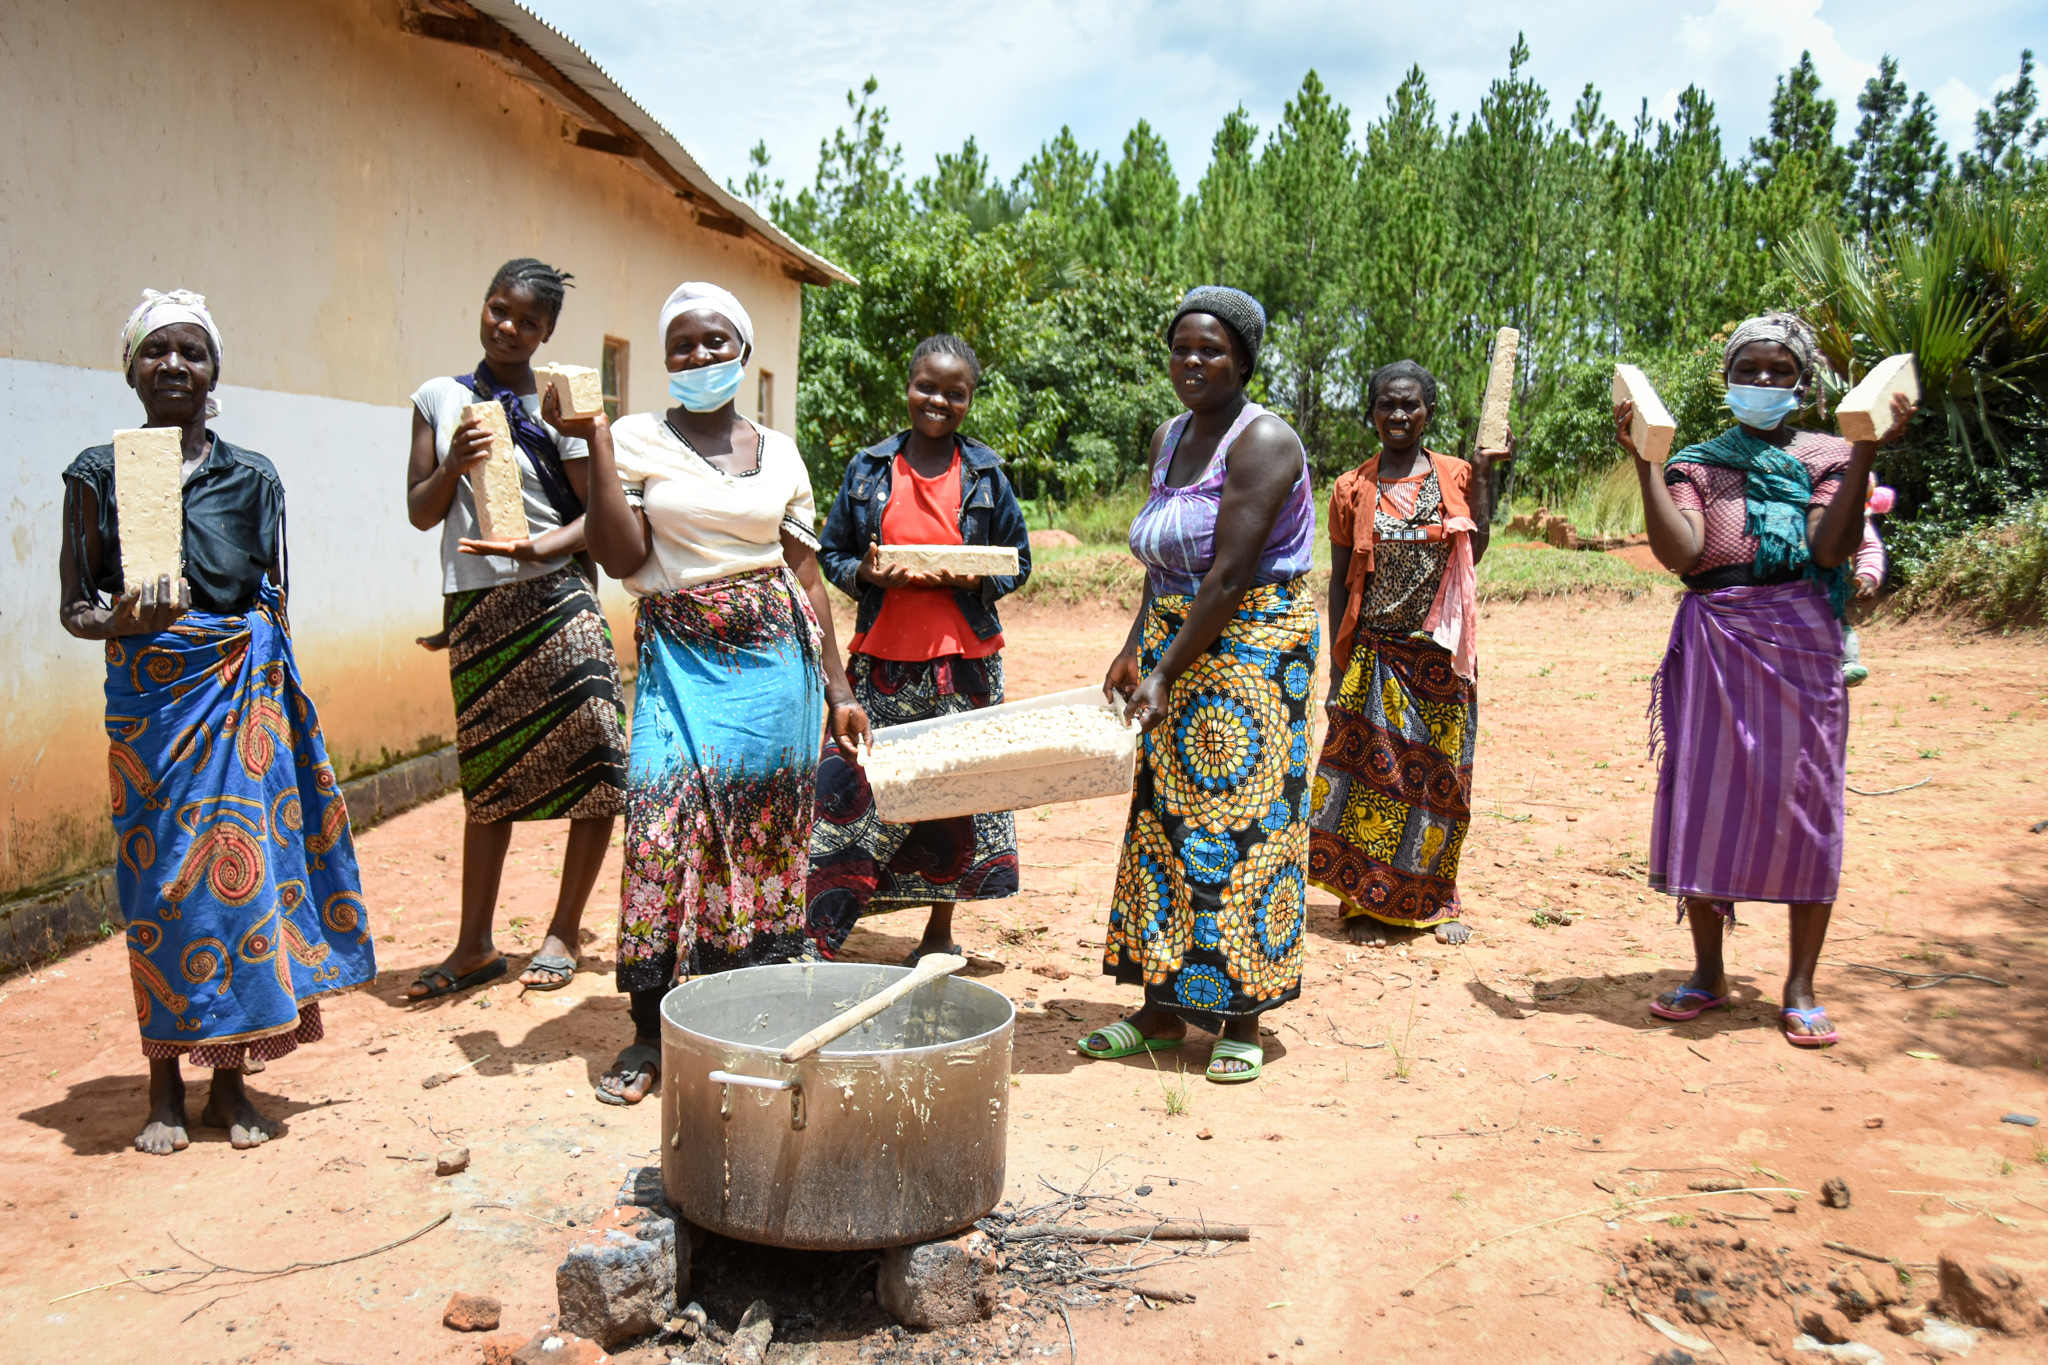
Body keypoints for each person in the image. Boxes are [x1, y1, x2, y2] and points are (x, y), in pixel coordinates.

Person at [60, 290, 377, 1153]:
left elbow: (275, 595)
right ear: (130, 369)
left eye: (190, 352)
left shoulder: (256, 477)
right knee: (160, 889)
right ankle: (163, 1085)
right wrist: (126, 619)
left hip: (240, 700)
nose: (173, 366)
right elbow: (74, 610)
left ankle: (230, 1087)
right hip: (153, 708)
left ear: (215, 372)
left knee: (243, 883)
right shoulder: (98, 474)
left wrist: (258, 663)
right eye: (155, 351)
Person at [577, 281, 869, 1104]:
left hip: (778, 662)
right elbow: (619, 552)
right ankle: (648, 1030)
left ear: (741, 351)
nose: (698, 356)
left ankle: (748, 1006)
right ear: (665, 358)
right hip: (679, 654)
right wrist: (596, 445)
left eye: (715, 342)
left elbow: (806, 574)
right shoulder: (636, 438)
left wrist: (838, 689)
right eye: (682, 344)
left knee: (765, 832)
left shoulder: (779, 451)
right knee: (661, 822)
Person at [1620, 312, 1912, 1047]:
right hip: (1716, 637)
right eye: (1747, 368)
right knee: (1706, 797)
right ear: (1727, 378)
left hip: (1801, 641)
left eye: (1777, 370)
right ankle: (1709, 972)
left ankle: (1799, 983)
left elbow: (1829, 544)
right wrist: (1644, 464)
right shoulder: (1696, 463)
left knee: (1806, 800)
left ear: (1803, 383)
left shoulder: (1831, 455)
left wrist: (1868, 447)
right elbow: (1683, 554)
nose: (1760, 381)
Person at [1084, 286, 1317, 1084]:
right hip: (1177, 643)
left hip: (1250, 651)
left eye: (1211, 349)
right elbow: (1166, 564)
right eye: (1182, 346)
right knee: (1164, 822)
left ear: (1244, 360)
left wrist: (1162, 667)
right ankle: (1159, 1009)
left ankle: (1241, 1012)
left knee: (1243, 826)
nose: (1193, 361)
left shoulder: (1266, 441)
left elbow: (1227, 575)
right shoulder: (1168, 436)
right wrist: (1133, 648)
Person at [403, 259, 629, 998]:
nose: (509, 327)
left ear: (547, 332)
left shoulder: (557, 401)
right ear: (485, 304)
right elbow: (420, 510)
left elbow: (595, 517)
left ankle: (563, 930)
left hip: (559, 595)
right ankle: (474, 945)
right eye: (499, 309)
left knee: (596, 757)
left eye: (527, 321)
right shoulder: (440, 399)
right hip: (478, 604)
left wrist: (539, 545)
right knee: (488, 774)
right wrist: (454, 465)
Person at [806, 336, 1032, 963]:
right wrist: (867, 575)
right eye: (927, 387)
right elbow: (832, 553)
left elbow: (1020, 559)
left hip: (964, 665)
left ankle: (939, 932)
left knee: (954, 793)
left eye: (954, 393)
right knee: (854, 786)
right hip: (881, 659)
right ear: (907, 386)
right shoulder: (868, 469)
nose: (938, 400)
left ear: (970, 400)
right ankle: (824, 927)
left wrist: (976, 579)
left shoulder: (985, 474)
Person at [1308, 361, 1507, 949]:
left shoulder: (1457, 476)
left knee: (1441, 785)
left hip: (1441, 661)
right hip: (1376, 657)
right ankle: (1367, 906)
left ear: (1429, 413)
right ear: (1369, 413)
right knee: (1372, 784)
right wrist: (1339, 666)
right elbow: (1340, 583)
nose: (1398, 415)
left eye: (1410, 405)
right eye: (1387, 405)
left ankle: (1436, 900)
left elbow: (1478, 547)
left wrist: (1492, 475)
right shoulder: (1352, 488)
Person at [1840, 477, 1894, 687]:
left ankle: (1848, 663)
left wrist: (1869, 576)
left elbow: (1868, 546)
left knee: (1837, 618)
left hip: (1827, 583)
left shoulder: (1856, 515)